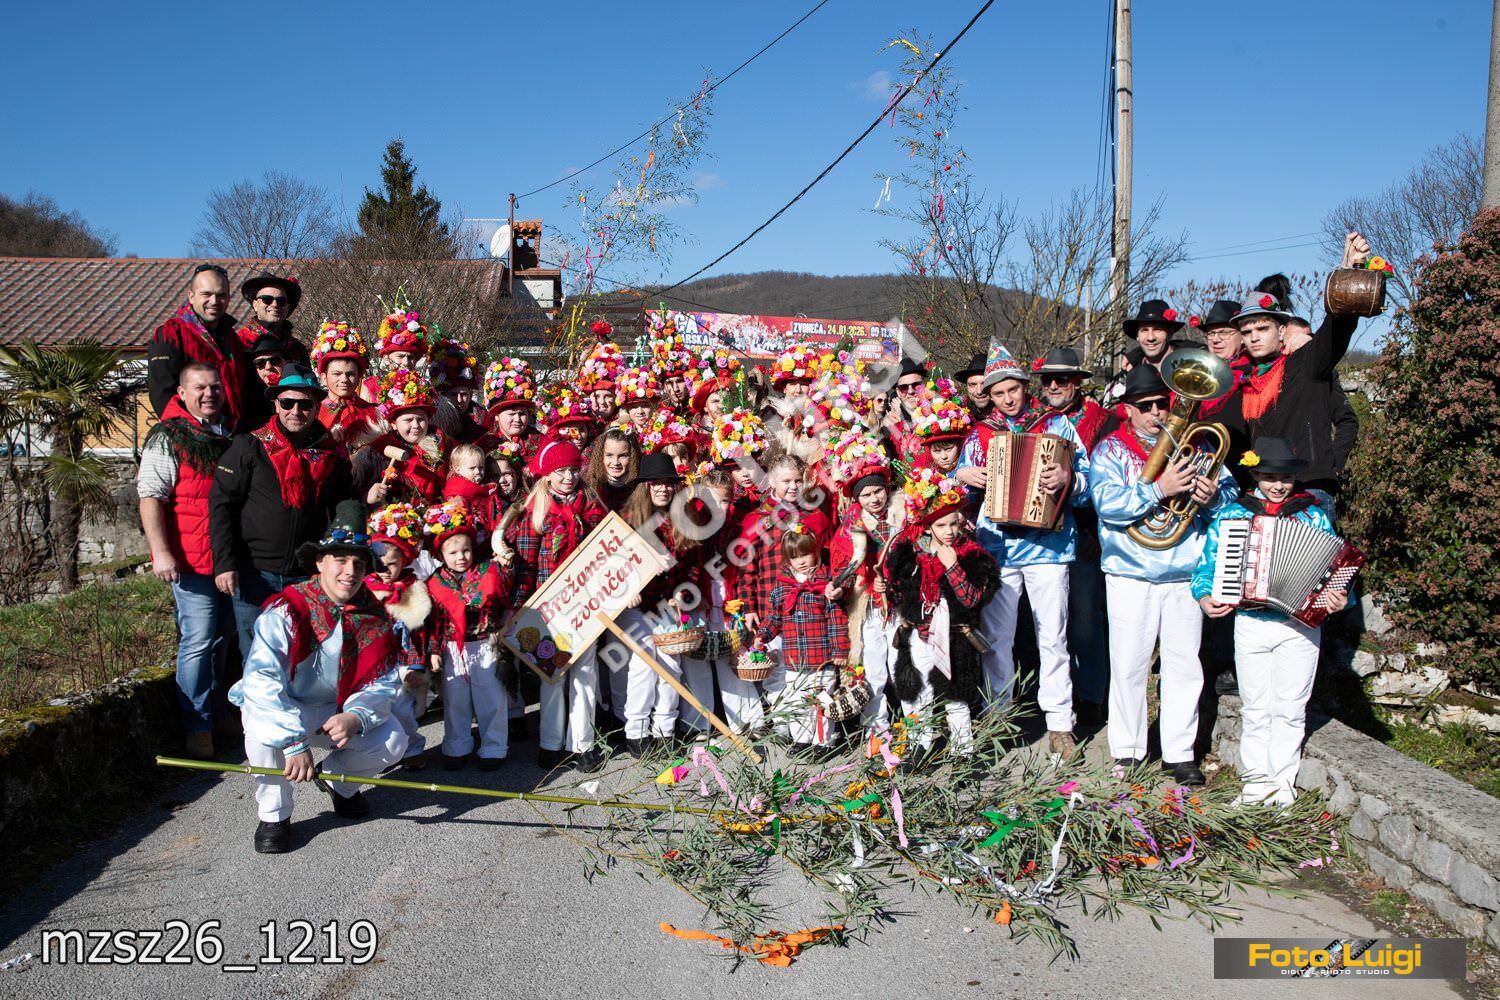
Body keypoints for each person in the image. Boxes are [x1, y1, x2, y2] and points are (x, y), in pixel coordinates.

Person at [229, 500, 408, 854]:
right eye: (340, 560)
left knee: (392, 740)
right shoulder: (288, 609)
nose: (349, 572)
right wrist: (293, 742)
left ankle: (340, 784)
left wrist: (356, 715)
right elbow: (262, 680)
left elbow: (384, 680)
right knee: (262, 734)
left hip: (335, 710)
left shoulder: (374, 615)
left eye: (359, 563)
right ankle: (275, 814)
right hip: (287, 706)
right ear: (320, 562)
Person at [1089, 365, 1239, 785]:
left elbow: (1230, 496)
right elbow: (1106, 504)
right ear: (1127, 410)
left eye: (1162, 404)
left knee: (1184, 666)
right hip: (1129, 574)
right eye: (1145, 406)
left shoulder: (1198, 446)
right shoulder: (1110, 450)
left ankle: (1180, 753)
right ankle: (1128, 751)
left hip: (1183, 573)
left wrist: (1213, 496)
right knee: (1129, 665)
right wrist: (1159, 489)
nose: (1156, 413)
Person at [1191, 437, 1351, 806]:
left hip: (1301, 626)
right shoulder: (1234, 515)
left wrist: (1340, 595)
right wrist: (1204, 596)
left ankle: (1282, 788)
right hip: (1251, 621)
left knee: (1290, 709)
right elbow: (1207, 567)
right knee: (1255, 707)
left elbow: (1334, 567)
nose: (1279, 485)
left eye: (1286, 478)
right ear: (1255, 476)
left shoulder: (1313, 515)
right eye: (1270, 477)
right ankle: (1254, 785)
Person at [956, 340, 1090, 757]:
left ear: (1024, 387)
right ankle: (998, 716)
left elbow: (1088, 482)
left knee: (1053, 635)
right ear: (989, 395)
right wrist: (964, 475)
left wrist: (1068, 479)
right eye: (998, 393)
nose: (1007, 399)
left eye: (1012, 389)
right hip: (998, 548)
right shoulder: (980, 434)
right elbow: (957, 488)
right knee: (998, 637)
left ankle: (1059, 722)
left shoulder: (1057, 425)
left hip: (1049, 548)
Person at [1218, 234, 1369, 521]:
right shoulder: (1244, 382)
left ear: (1281, 331)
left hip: (1309, 489)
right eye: (1247, 332)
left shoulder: (1305, 363)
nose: (1254, 337)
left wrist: (1348, 275)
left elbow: (1336, 330)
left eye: (1262, 329)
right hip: (1261, 494)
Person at [211, 362, 355, 659]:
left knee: (302, 659)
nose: (296, 411)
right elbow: (223, 505)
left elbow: (343, 508)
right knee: (257, 659)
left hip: (306, 577)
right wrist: (225, 562)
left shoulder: (332, 455)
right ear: (276, 404)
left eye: (305, 404)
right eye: (287, 403)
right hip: (254, 575)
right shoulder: (249, 446)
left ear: (316, 407)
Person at [136, 362, 235, 759]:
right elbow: (150, 496)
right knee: (198, 640)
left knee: (223, 639)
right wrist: (161, 552)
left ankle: (217, 714)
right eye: (200, 388)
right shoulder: (169, 436)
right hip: (191, 560)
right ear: (181, 393)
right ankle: (197, 727)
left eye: (215, 387)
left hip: (226, 557)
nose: (209, 394)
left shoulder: (227, 433)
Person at [499, 440, 608, 771]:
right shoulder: (535, 511)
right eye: (561, 471)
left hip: (586, 601)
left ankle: (583, 743)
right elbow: (526, 565)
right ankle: (550, 743)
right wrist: (519, 607)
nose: (568, 477)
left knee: (585, 673)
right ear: (547, 475)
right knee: (552, 673)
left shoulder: (592, 506)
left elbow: (607, 552)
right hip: (549, 606)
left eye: (573, 470)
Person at [887, 470, 1000, 765]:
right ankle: (921, 743)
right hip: (921, 632)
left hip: (953, 636)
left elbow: (972, 599)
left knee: (955, 696)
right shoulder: (914, 555)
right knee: (920, 693)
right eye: (941, 525)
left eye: (953, 523)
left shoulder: (970, 555)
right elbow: (900, 589)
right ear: (928, 528)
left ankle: (963, 751)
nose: (949, 531)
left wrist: (952, 567)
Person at [1033, 346, 1111, 725]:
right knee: (1048, 621)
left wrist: (1092, 527)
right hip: (1043, 533)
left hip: (1085, 529)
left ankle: (1091, 694)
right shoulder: (1037, 420)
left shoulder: (1102, 421)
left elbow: (1107, 479)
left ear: (1077, 383)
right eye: (1047, 380)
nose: (1053, 386)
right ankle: (1054, 696)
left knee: (1084, 614)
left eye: (1061, 380)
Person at [614, 453, 708, 750]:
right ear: (646, 486)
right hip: (637, 606)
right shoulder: (628, 520)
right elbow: (612, 564)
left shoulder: (682, 518)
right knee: (643, 667)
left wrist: (684, 592)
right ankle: (637, 731)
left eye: (668, 483)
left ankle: (664, 730)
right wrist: (627, 589)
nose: (663, 488)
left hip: (668, 605)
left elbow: (693, 565)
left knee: (670, 666)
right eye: (656, 483)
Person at [424, 498, 514, 771]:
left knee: (491, 697)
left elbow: (504, 595)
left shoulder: (488, 571)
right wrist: (434, 651)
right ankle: (457, 745)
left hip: (484, 643)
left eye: (465, 550)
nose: (461, 557)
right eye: (453, 553)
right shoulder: (435, 582)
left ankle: (494, 747)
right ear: (441, 555)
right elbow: (434, 621)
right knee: (455, 700)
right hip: (453, 647)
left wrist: (505, 563)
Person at [751, 526, 850, 755]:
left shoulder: (826, 584)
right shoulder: (782, 586)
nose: (802, 561)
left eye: (806, 554)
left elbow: (836, 620)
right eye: (795, 557)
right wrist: (762, 635)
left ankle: (823, 742)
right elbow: (774, 617)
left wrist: (840, 651)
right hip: (794, 658)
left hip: (821, 657)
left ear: (815, 552)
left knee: (821, 699)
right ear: (788, 560)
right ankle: (801, 739)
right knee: (797, 698)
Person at [828, 451, 901, 736]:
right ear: (857, 499)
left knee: (902, 665)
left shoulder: (902, 515)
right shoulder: (851, 526)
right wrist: (838, 586)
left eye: (878, 491)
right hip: (868, 604)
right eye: (866, 495)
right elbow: (843, 566)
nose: (874, 499)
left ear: (887, 489)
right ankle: (876, 730)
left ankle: (920, 730)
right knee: (874, 669)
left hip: (899, 602)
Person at [364, 502, 434, 771]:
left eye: (392, 564)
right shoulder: (365, 590)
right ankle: (384, 752)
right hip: (374, 662)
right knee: (377, 709)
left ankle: (412, 747)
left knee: (404, 710)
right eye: (380, 564)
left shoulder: (413, 589)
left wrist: (417, 665)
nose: (385, 570)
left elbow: (418, 632)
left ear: (404, 560)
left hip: (402, 661)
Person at [147, 263, 253, 431]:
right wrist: (190, 436)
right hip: (192, 433)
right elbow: (162, 394)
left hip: (232, 433)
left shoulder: (232, 339)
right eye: (206, 294)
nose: (214, 301)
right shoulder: (172, 334)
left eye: (221, 295)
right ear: (191, 296)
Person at [358, 369, 444, 506]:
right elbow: (355, 494)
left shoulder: (444, 445)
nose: (416, 425)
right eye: (408, 420)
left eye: (421, 419)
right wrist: (368, 498)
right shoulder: (376, 453)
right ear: (394, 424)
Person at [310, 320, 379, 448]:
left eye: (350, 374)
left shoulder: (375, 414)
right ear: (324, 378)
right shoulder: (313, 412)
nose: (344, 380)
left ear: (359, 377)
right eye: (337, 374)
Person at [236, 272, 308, 365]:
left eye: (281, 301)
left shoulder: (298, 348)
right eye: (267, 299)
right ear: (255, 305)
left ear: (288, 307)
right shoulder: (239, 342)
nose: (274, 304)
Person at [583, 427, 641, 512]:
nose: (616, 462)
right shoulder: (589, 487)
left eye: (623, 456)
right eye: (609, 455)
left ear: (632, 456)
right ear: (601, 456)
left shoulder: (641, 485)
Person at [1122, 299, 1185, 371]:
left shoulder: (1190, 367)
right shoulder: (1130, 371)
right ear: (1137, 336)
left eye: (1157, 329)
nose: (1150, 338)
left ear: (1170, 332)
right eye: (1144, 330)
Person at [954, 352, 990, 421]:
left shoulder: (1009, 415)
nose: (979, 391)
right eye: (973, 385)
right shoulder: (958, 415)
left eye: (984, 384)